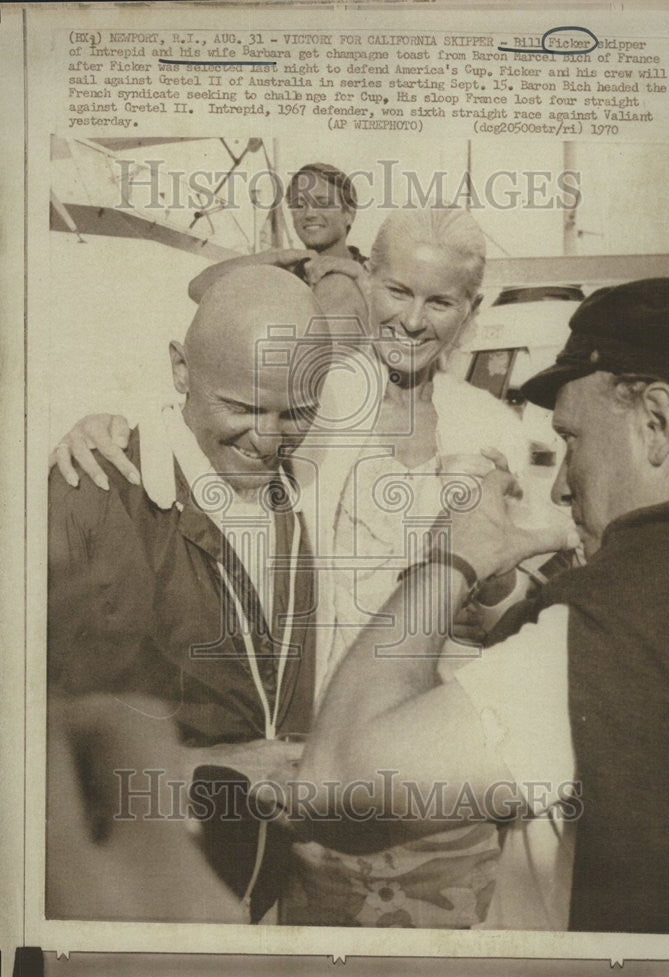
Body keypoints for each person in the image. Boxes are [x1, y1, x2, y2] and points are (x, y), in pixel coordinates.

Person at [51, 208, 571, 929]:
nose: (413, 320)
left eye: (439, 300)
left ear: (469, 312)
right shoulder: (320, 397)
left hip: (429, 781)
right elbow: (215, 404)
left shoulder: (490, 426)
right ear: (365, 284)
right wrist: (105, 428)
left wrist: (488, 579)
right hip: (303, 781)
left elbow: (508, 609)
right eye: (396, 290)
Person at [295, 277, 669, 933]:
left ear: (655, 421)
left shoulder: (601, 626)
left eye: (573, 441)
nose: (559, 487)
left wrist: (452, 558)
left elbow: (335, 779)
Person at [48, 265, 331, 924]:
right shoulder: (91, 496)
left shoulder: (303, 489)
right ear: (180, 369)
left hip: (265, 900)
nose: (268, 439)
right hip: (136, 913)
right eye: (241, 407)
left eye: (295, 413)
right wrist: (218, 767)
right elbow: (32, 749)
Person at [189, 162, 370, 333]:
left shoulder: (375, 271)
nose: (309, 214)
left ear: (348, 215)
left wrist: (358, 276)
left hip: (352, 362)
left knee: (339, 286)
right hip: (293, 361)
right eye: (299, 205)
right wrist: (272, 258)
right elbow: (198, 289)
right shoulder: (285, 275)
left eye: (322, 203)